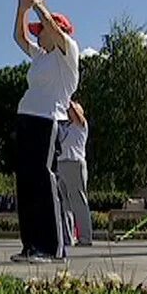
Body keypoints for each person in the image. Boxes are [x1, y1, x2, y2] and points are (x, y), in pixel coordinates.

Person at [12, 0, 80, 263]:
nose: (38, 36)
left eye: (42, 31)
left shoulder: (69, 53)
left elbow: (50, 26)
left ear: (58, 31)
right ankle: (32, 245)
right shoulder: (40, 57)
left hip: (49, 120)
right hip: (27, 120)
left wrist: (38, 5)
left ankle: (52, 247)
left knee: (43, 179)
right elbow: (18, 38)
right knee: (25, 183)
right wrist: (22, 9)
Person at [57, 102, 93, 246]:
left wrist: (67, 98)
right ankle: (67, 237)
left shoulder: (81, 125)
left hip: (74, 163)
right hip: (61, 163)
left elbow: (76, 113)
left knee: (78, 201)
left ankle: (85, 237)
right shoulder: (66, 127)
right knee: (64, 203)